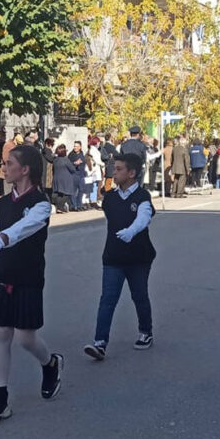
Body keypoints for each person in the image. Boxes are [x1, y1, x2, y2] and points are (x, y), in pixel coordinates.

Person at [0, 144, 62, 425]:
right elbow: (0, 231)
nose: (4, 167)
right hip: (1, 274)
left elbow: (25, 228)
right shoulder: (1, 204)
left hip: (28, 276)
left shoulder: (41, 204)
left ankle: (50, 363)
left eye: (9, 163)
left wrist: (1, 239)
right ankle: (0, 398)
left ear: (24, 169)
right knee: (2, 333)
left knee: (25, 337)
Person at [85, 152, 156, 360]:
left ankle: (146, 332)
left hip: (138, 257)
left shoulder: (142, 196)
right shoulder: (110, 198)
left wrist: (131, 231)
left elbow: (144, 217)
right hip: (113, 257)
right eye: (114, 168)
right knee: (107, 299)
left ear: (131, 173)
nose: (114, 173)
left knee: (139, 296)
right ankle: (100, 343)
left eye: (118, 169)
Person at [51, 144, 75, 214]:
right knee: (67, 193)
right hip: (65, 179)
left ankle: (59, 207)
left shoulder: (55, 160)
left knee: (60, 194)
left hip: (56, 178)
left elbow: (53, 169)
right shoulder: (65, 160)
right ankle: (60, 207)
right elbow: (72, 169)